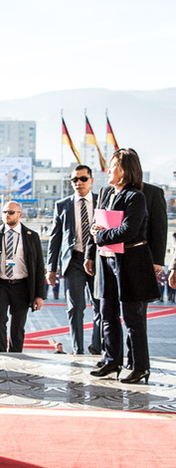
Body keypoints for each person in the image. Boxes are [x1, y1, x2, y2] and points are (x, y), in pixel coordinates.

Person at [89, 148, 159, 384]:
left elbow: (128, 230)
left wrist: (101, 236)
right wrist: (95, 232)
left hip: (131, 262)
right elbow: (100, 225)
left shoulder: (135, 197)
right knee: (107, 313)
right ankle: (112, 360)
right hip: (108, 259)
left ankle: (140, 367)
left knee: (132, 318)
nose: (109, 170)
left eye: (113, 166)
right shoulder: (108, 193)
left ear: (126, 170)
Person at [46, 165, 101, 355]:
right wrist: (50, 268)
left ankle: (96, 346)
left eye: (83, 179)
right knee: (75, 307)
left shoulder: (102, 202)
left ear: (91, 180)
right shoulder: (63, 205)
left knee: (100, 305)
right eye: (74, 180)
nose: (79, 183)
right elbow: (55, 238)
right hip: (74, 262)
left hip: (98, 262)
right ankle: (77, 349)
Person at [0, 201, 45, 352]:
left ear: (20, 215)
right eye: (4, 212)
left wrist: (39, 295)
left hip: (22, 285)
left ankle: (16, 355)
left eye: (10, 212)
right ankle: (2, 353)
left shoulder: (31, 236)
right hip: (0, 284)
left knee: (18, 324)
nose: (6, 215)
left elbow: (39, 267)